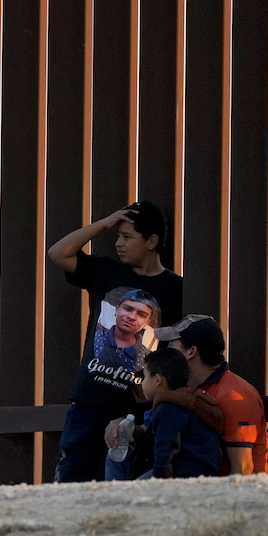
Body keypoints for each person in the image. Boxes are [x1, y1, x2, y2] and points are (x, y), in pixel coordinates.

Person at [49, 201, 183, 483]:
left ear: (152, 241)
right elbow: (57, 253)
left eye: (127, 237)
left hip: (137, 408)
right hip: (89, 401)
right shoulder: (105, 271)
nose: (118, 243)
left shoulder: (175, 288)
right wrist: (104, 223)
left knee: (126, 487)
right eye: (117, 236)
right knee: (68, 484)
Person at [57, 288, 161, 482]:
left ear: (147, 322)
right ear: (116, 311)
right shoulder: (99, 341)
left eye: (141, 314)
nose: (131, 316)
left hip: (128, 422)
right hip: (86, 412)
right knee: (70, 480)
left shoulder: (145, 356)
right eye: (128, 309)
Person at [156, 315, 268, 475]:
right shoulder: (187, 388)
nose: (165, 352)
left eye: (171, 345)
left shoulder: (235, 395)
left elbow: (243, 470)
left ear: (190, 352)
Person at [135, 348, 222, 479]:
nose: (142, 382)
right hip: (206, 471)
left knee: (131, 491)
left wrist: (159, 485)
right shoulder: (187, 401)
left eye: (145, 376)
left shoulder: (168, 408)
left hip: (187, 475)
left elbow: (165, 452)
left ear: (157, 380)